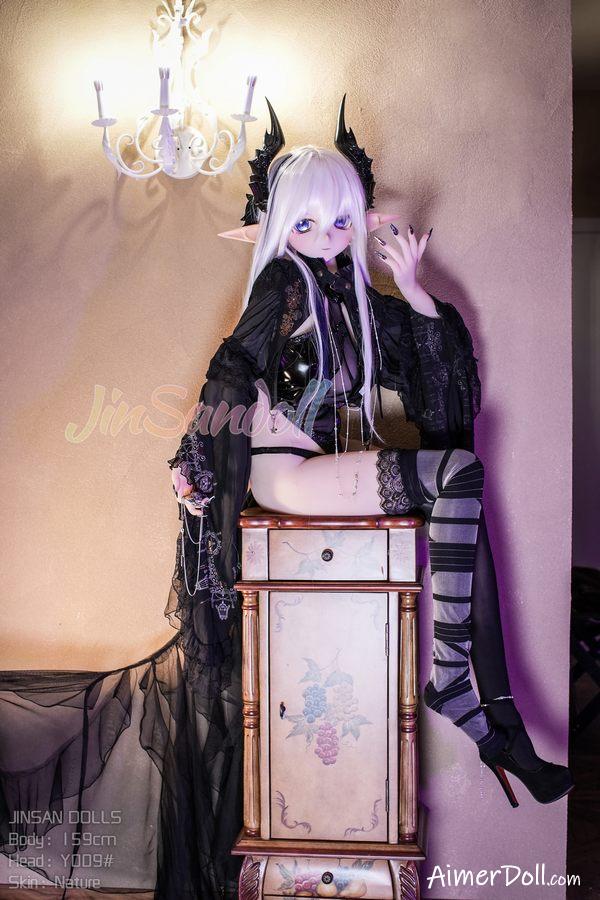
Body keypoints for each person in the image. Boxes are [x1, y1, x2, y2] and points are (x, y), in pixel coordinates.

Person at [166, 95, 573, 890]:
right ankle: (459, 688)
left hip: (312, 472)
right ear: (280, 226)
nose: (326, 236)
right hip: (283, 474)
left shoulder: (346, 297)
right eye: (307, 222)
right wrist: (193, 462)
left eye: (340, 222)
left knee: (461, 505)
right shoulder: (282, 282)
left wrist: (412, 287)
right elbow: (232, 368)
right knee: (456, 475)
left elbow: (440, 390)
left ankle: (493, 711)